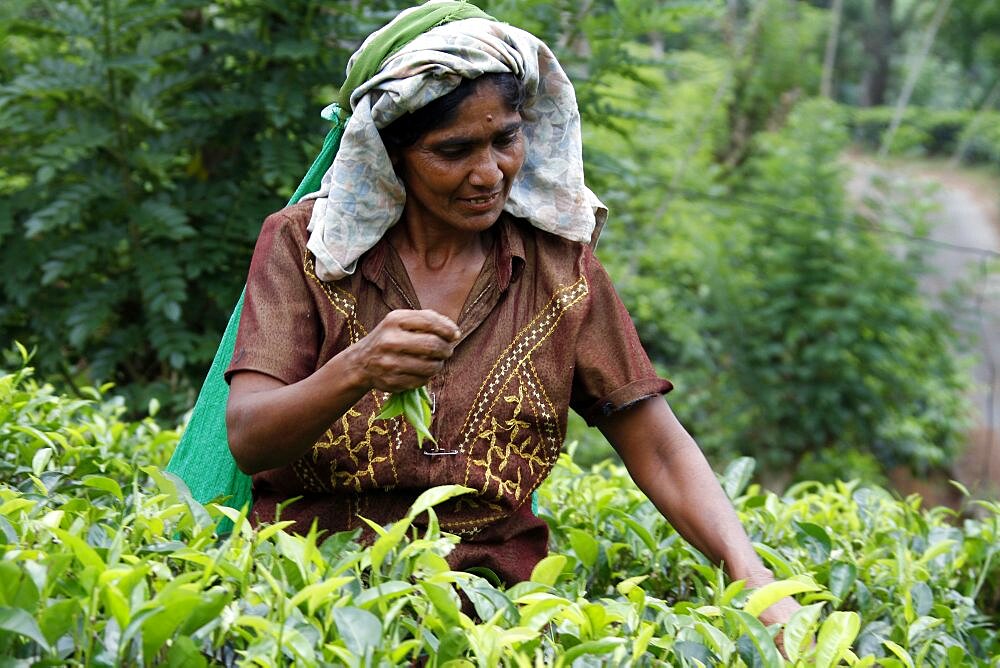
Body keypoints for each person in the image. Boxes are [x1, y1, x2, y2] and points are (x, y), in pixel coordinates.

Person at [223, 0, 798, 630]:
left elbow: (657, 446)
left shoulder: (559, 268)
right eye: (454, 150)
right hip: (312, 598)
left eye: (506, 139)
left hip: (494, 612)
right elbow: (251, 438)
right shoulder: (305, 249)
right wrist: (355, 370)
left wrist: (760, 587)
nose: (490, 173)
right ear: (389, 156)